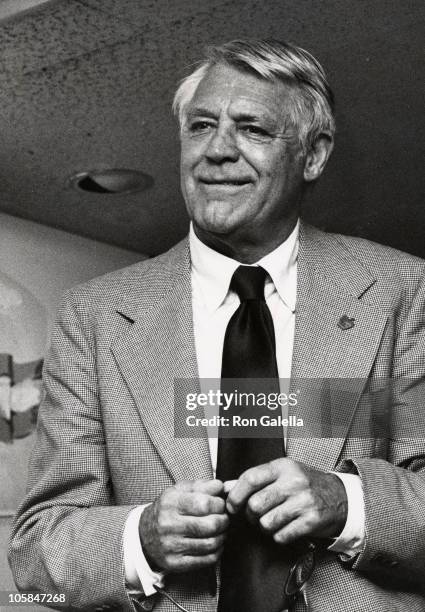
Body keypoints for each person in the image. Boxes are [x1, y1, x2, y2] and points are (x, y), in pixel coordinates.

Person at [9, 39, 425, 612]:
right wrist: (143, 536)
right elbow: (37, 559)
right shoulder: (95, 316)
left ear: (313, 155)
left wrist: (348, 501)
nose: (218, 151)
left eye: (252, 129)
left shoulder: (402, 290)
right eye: (201, 126)